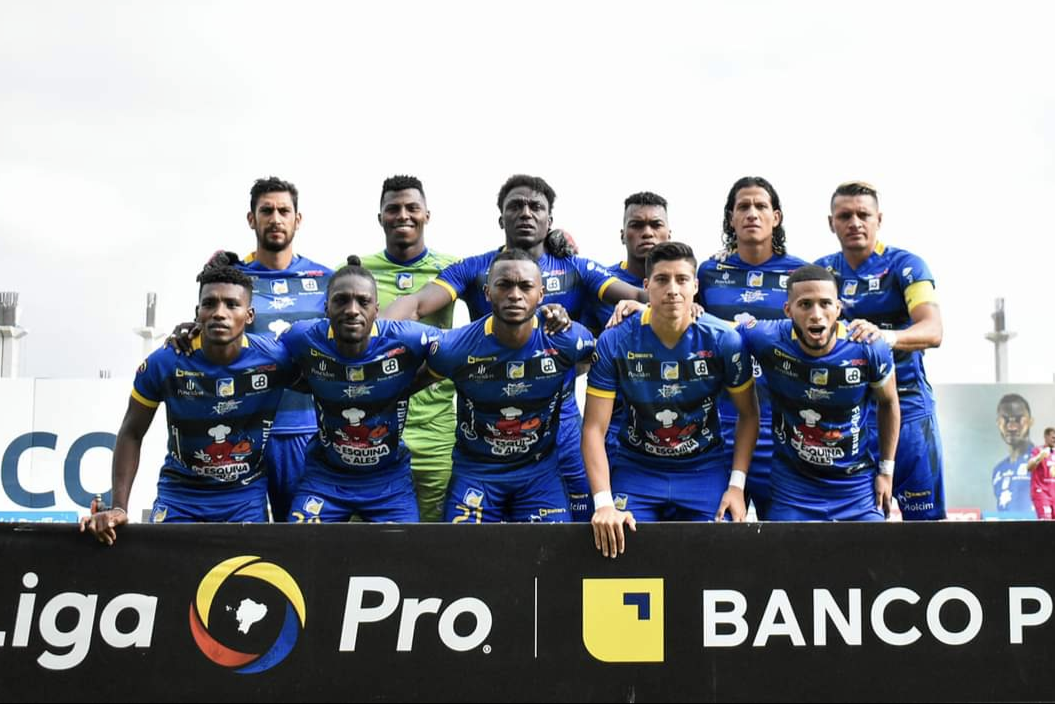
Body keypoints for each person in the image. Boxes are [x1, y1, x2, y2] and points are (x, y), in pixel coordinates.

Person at [382, 174, 648, 522]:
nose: (525, 213)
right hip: (485, 422)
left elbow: (638, 299)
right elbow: (417, 305)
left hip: (562, 422)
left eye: (535, 206)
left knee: (577, 526)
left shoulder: (575, 267)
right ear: (500, 218)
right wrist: (372, 332)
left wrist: (668, 306)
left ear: (550, 220)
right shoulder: (475, 268)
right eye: (516, 206)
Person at [81, 261, 297, 544]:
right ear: (197, 313)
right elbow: (132, 432)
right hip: (179, 496)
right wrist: (119, 506)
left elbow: (326, 377)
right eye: (210, 303)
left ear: (249, 315)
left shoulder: (275, 359)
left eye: (232, 304)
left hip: (244, 497)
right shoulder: (164, 363)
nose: (219, 313)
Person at [584, 242, 759, 558]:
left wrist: (736, 486)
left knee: (718, 559)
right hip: (637, 468)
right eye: (662, 280)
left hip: (703, 469)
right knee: (620, 552)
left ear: (696, 286)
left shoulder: (724, 340)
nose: (673, 290)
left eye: (682, 280)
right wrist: (604, 503)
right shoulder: (615, 340)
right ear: (647, 286)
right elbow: (594, 428)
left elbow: (748, 415)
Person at [425, 249, 596, 523]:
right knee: (460, 551)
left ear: (541, 295)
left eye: (525, 286)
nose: (515, 295)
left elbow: (603, 362)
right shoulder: (455, 347)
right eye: (504, 285)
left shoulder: (567, 339)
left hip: (539, 474)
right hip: (476, 474)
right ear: (487, 292)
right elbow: (401, 386)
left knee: (553, 550)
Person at [815, 181, 944, 521]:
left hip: (908, 406)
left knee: (926, 524)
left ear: (879, 219)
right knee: (856, 524)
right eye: (845, 216)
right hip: (848, 415)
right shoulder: (821, 272)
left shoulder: (907, 265)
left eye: (863, 214)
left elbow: (933, 330)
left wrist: (884, 337)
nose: (854, 223)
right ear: (831, 223)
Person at [279, 257, 442, 523]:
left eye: (363, 302)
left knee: (404, 549)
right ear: (326, 307)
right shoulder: (302, 337)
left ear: (376, 310)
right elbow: (260, 357)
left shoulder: (406, 337)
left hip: (389, 481)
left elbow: (459, 348)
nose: (352, 310)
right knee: (301, 546)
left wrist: (407, 385)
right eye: (341, 300)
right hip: (324, 479)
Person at [737, 265, 900, 522]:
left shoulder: (868, 346)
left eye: (825, 304)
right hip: (793, 489)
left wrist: (886, 472)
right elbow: (716, 332)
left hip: (855, 487)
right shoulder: (766, 337)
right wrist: (691, 310)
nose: (816, 315)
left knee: (874, 548)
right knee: (783, 549)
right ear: (788, 310)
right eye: (805, 305)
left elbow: (889, 403)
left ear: (838, 308)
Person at [696, 176, 809, 519]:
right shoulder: (709, 272)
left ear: (776, 217)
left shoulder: (801, 274)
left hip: (782, 428)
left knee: (784, 539)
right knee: (721, 537)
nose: (752, 213)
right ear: (730, 218)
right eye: (743, 206)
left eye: (761, 206)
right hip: (721, 425)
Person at [230, 177, 333, 522]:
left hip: (305, 429)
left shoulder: (326, 280)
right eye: (266, 211)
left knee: (302, 538)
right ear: (251, 219)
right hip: (245, 432)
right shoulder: (232, 281)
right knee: (246, 541)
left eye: (283, 211)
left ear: (297, 219)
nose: (275, 218)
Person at [359, 175, 459, 522]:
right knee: (367, 533)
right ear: (380, 217)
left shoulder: (453, 269)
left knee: (434, 535)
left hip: (436, 423)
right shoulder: (356, 271)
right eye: (393, 208)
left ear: (427, 215)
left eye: (412, 207)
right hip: (373, 424)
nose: (403, 215)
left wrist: (556, 247)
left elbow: (512, 275)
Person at [581, 191, 673, 461]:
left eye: (655, 224)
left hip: (675, 419)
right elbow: (582, 356)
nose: (647, 232)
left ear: (669, 233)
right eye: (637, 225)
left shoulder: (686, 283)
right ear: (623, 235)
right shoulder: (600, 284)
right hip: (615, 425)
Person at [992, 393, 1036, 514]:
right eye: (1005, 420)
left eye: (1019, 419)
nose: (1011, 427)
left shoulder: (1044, 463)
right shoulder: (998, 470)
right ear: (998, 423)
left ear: (1031, 421)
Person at [1027, 427, 1055, 519]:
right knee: (1046, 520)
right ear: (1046, 437)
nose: (1054, 440)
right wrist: (1040, 456)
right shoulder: (1038, 450)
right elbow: (1029, 467)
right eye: (1053, 437)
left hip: (1053, 492)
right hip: (1041, 491)